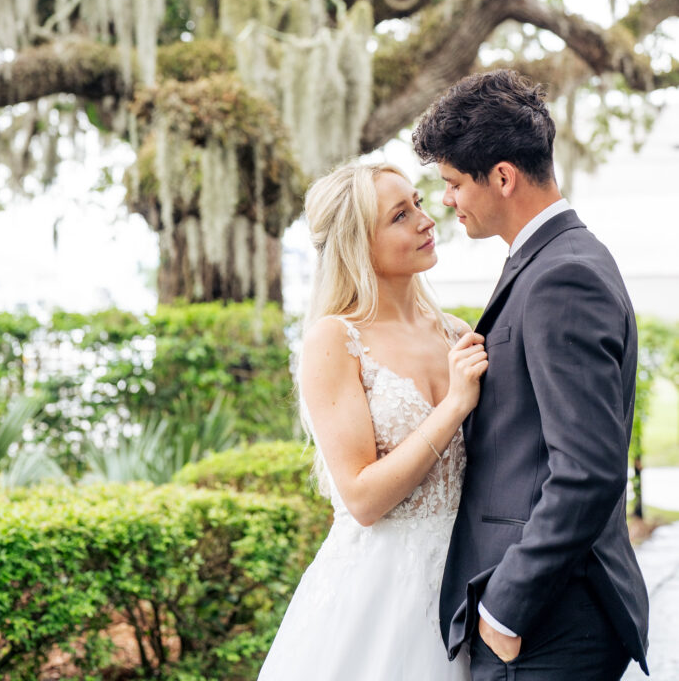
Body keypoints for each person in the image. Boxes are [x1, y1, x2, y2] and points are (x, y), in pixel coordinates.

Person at [412, 69, 649, 681]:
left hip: (547, 620)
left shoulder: (562, 275)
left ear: (503, 176)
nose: (446, 201)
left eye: (453, 183)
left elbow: (587, 469)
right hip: (545, 614)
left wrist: (505, 609)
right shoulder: (549, 260)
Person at [257, 161, 488, 680]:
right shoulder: (334, 339)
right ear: (358, 244)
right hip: (378, 595)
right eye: (400, 216)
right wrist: (454, 406)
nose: (427, 220)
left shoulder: (456, 334)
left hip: (465, 585)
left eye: (419, 204)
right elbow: (361, 498)